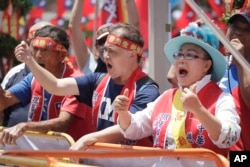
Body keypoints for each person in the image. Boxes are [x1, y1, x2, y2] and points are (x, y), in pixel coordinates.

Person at [70, 23, 241, 158]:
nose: (181, 59)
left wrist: (199, 110)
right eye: (179, 55)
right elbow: (135, 127)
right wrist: (123, 113)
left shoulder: (222, 99)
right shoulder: (166, 97)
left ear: (206, 65)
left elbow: (229, 137)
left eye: (190, 55)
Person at [14, 22, 160, 147]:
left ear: (131, 56)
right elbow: (56, 86)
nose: (106, 56)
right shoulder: (97, 80)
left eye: (112, 52)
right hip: (101, 161)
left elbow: (129, 129)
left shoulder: (147, 89)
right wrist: (29, 60)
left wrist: (88, 138)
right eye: (105, 50)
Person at [0, 25, 90, 144]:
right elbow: (4, 101)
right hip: (41, 153)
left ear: (61, 56)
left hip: (73, 157)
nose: (38, 55)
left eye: (45, 50)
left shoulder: (77, 81)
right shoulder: (32, 78)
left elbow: (62, 124)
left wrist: (25, 126)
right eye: (35, 48)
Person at [0, 21, 53, 127]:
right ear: (28, 44)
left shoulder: (66, 75)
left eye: (46, 47)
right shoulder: (15, 73)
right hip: (12, 141)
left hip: (52, 142)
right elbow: (2, 103)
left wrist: (25, 127)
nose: (40, 53)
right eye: (36, 47)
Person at [68, 0, 140, 74]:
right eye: (102, 42)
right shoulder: (89, 65)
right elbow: (73, 28)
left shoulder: (128, 63)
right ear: (96, 47)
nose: (106, 45)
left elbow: (135, 26)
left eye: (111, 41)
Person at [218, 12, 250, 151]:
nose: (238, 32)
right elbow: (172, 77)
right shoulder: (216, 63)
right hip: (216, 154)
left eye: (247, 30)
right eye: (234, 26)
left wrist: (240, 62)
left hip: (242, 152)